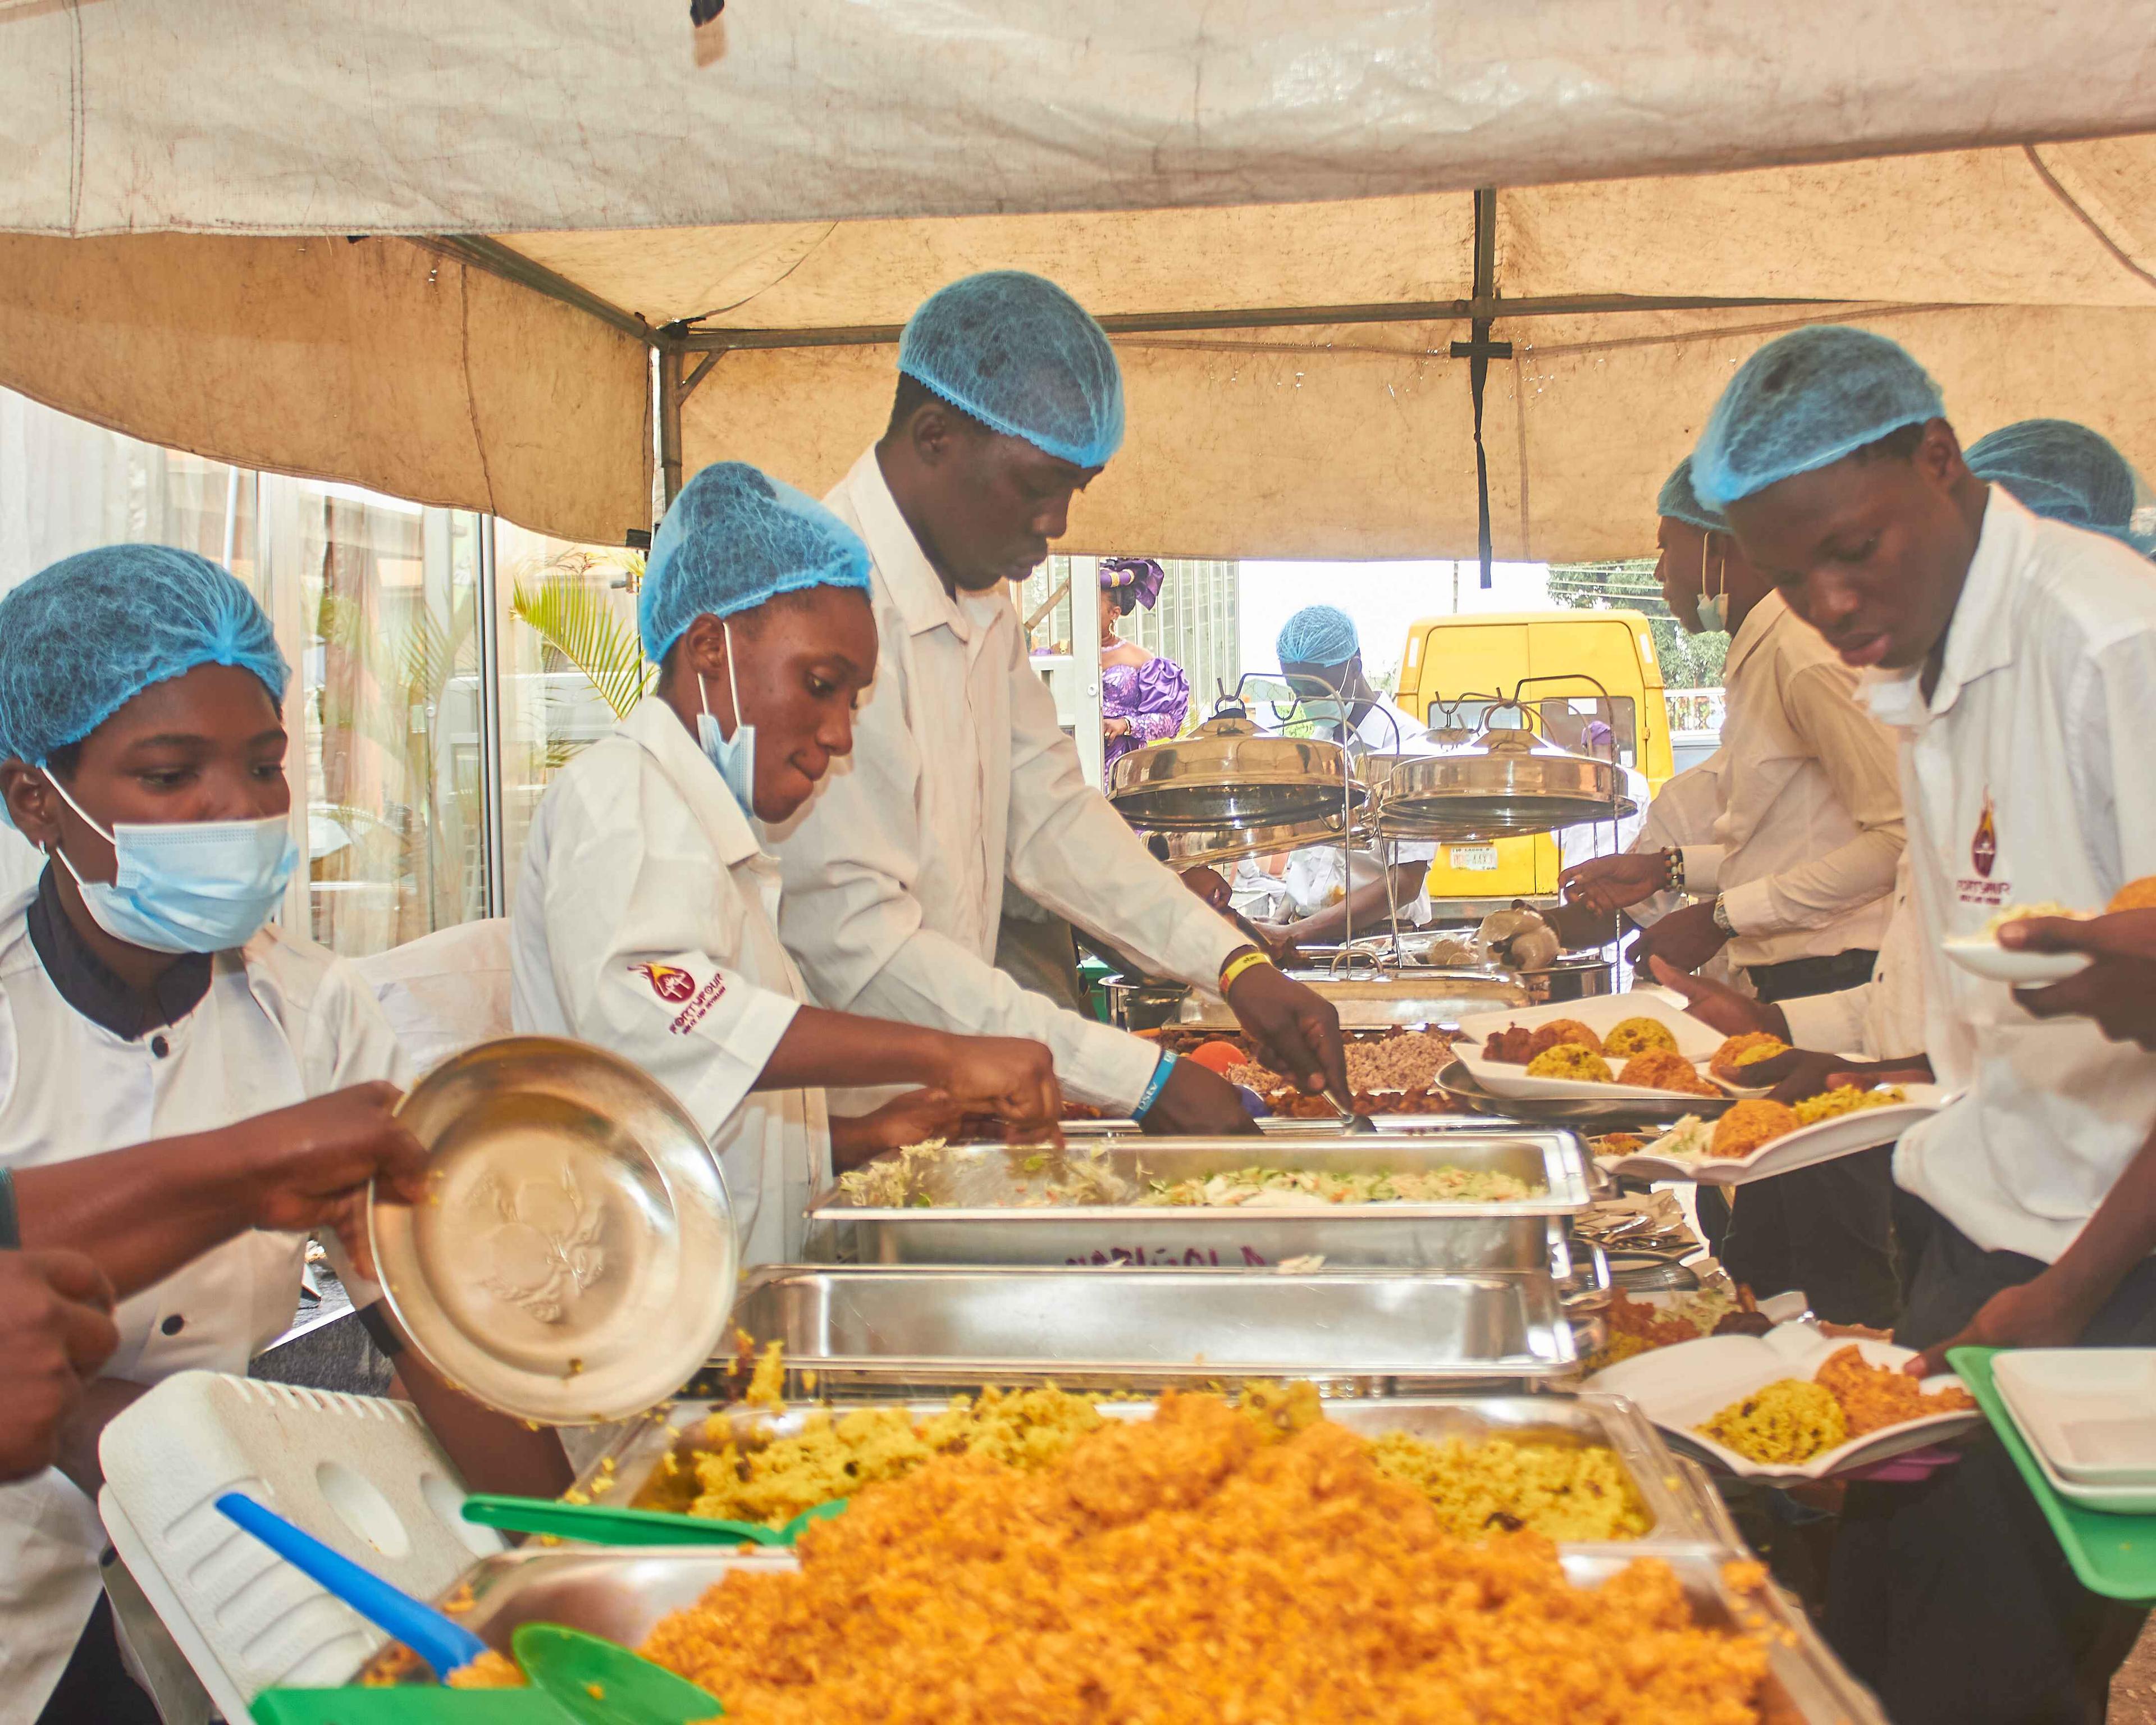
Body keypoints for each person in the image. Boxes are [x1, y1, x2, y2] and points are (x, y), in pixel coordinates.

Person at [0, 545, 563, 1725]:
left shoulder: (317, 1012)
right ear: (36, 798)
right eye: (170, 776)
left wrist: (566, 1556)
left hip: (192, 1553)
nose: (239, 812)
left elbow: (420, 1316)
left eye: (264, 767)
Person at [1690, 324, 2156, 1725]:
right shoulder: (1932, 648)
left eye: (1852, 549)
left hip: (2097, 1270)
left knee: (1978, 1685)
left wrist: (2059, 1302)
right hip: (1981, 1240)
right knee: (1866, 1658)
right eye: (1790, 579)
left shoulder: (2106, 640)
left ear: (1937, 463)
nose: (1829, 603)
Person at [776, 272, 1348, 1131]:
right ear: (935, 437)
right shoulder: (815, 614)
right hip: (832, 1135)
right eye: (1039, 486)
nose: (1058, 524)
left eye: (1075, 490)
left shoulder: (977, 596)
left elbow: (1050, 820)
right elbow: (861, 946)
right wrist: (1140, 1078)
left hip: (946, 1110)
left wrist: (1233, 966)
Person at [512, 464, 1064, 1265]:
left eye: (854, 700)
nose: (840, 734)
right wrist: (944, 1052)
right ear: (708, 646)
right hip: (639, 1319)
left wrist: (864, 1137)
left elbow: (689, 1120)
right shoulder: (620, 797)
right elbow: (674, 1024)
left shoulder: (713, 836)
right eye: (820, 685)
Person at [1560, 455, 1908, 1325]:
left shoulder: (1802, 652)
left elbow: (1900, 835)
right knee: (1761, 1265)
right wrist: (1669, 870)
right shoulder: (1763, 653)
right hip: (1789, 999)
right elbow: (1786, 832)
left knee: (1836, 1272)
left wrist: (1719, 915)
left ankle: (1851, 1445)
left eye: (1666, 545)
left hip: (1840, 996)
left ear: (1722, 546)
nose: (1659, 572)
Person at [1266, 604, 1439, 947]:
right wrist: (1279, 920)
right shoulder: (1317, 745)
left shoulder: (1408, 746)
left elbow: (1405, 881)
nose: (1308, 702)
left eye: (1317, 689)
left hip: (1380, 945)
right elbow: (1310, 862)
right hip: (1307, 939)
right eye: (1299, 692)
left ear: (1355, 665)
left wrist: (1294, 933)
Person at [1097, 557, 1190, 770]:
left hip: (1120, 767)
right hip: (1073, 763)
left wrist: (1127, 724)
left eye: (1094, 604)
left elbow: (1170, 722)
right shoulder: (1061, 654)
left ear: (1114, 614)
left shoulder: (1141, 660)